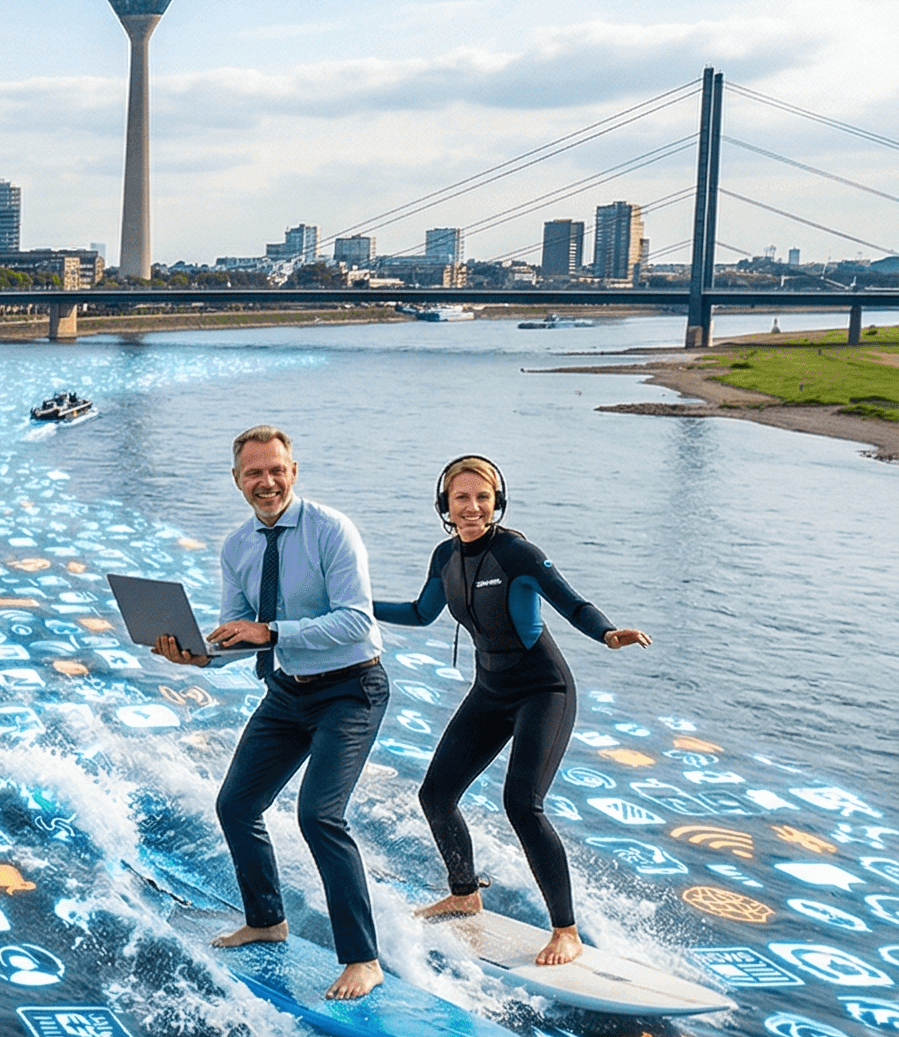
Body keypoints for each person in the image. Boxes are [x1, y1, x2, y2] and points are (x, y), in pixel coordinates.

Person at [375, 455, 651, 965]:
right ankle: (464, 893)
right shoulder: (444, 557)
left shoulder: (517, 554)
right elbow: (420, 613)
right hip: (491, 691)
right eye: (462, 498)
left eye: (483, 497)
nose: (473, 507)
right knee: (435, 794)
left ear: (498, 502)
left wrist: (608, 632)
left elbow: (572, 603)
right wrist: (358, 605)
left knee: (522, 803)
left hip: (544, 689)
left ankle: (566, 930)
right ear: (445, 505)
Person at [153, 425, 389, 1001]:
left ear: (294, 471)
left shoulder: (332, 530)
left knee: (319, 816)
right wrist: (198, 657)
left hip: (352, 688)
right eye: (254, 473)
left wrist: (273, 629)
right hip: (287, 692)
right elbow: (244, 636)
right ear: (237, 481)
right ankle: (266, 920)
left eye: (276, 470)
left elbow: (357, 620)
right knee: (236, 804)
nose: (267, 482)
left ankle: (363, 958)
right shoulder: (236, 547)